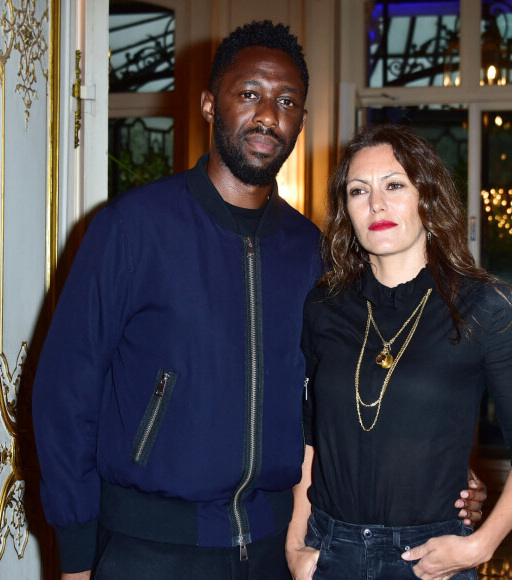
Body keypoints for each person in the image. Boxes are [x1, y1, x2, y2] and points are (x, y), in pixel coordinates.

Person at [33, 22, 485, 580]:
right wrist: (76, 555)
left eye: (287, 100)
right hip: (149, 548)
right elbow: (65, 391)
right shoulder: (131, 229)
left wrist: (445, 476)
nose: (268, 114)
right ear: (208, 104)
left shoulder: (315, 252)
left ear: (300, 120)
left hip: (276, 550)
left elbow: (350, 395)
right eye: (249, 94)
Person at [286, 123, 511, 580]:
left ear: (426, 197)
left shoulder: (483, 306)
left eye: (394, 185)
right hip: (331, 552)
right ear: (346, 209)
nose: (376, 204)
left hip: (430, 560)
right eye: (358, 191)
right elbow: (310, 436)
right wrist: (296, 542)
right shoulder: (323, 306)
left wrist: (480, 547)